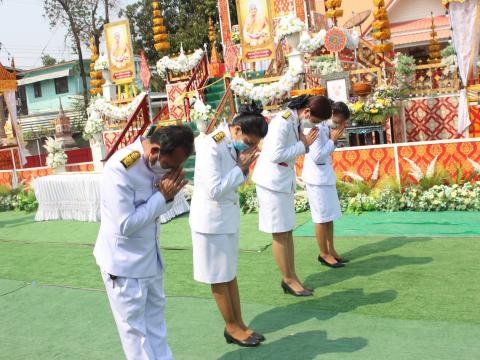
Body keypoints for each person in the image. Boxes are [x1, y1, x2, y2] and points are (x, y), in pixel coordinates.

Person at [93, 126, 194, 360]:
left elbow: (158, 209)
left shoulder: (156, 163)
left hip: (151, 259)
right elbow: (125, 225)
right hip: (125, 267)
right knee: (136, 336)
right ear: (155, 150)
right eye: (170, 165)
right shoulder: (121, 168)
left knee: (156, 327)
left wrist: (165, 198)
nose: (173, 170)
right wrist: (163, 197)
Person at [190, 105, 268, 347]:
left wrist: (241, 169)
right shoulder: (211, 145)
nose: (249, 146)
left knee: (229, 274)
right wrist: (241, 168)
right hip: (210, 221)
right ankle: (231, 327)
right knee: (219, 276)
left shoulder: (229, 142)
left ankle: (240, 323)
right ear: (236, 129)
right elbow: (214, 188)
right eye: (248, 141)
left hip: (226, 218)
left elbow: (235, 180)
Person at [252, 95, 332, 296]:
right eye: (314, 121)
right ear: (307, 112)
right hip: (271, 184)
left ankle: (293, 276)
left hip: (282, 183)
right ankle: (287, 279)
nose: (313, 125)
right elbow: (275, 154)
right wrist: (303, 145)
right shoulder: (283, 122)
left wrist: (302, 143)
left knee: (287, 232)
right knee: (279, 233)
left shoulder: (293, 120)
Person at [302, 101, 350, 268]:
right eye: (337, 122)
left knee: (329, 217)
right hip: (316, 179)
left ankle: (331, 250)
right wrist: (332, 141)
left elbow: (326, 151)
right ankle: (323, 254)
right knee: (321, 218)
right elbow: (317, 156)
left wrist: (332, 140)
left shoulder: (325, 127)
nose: (338, 125)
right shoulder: (314, 127)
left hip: (325, 176)